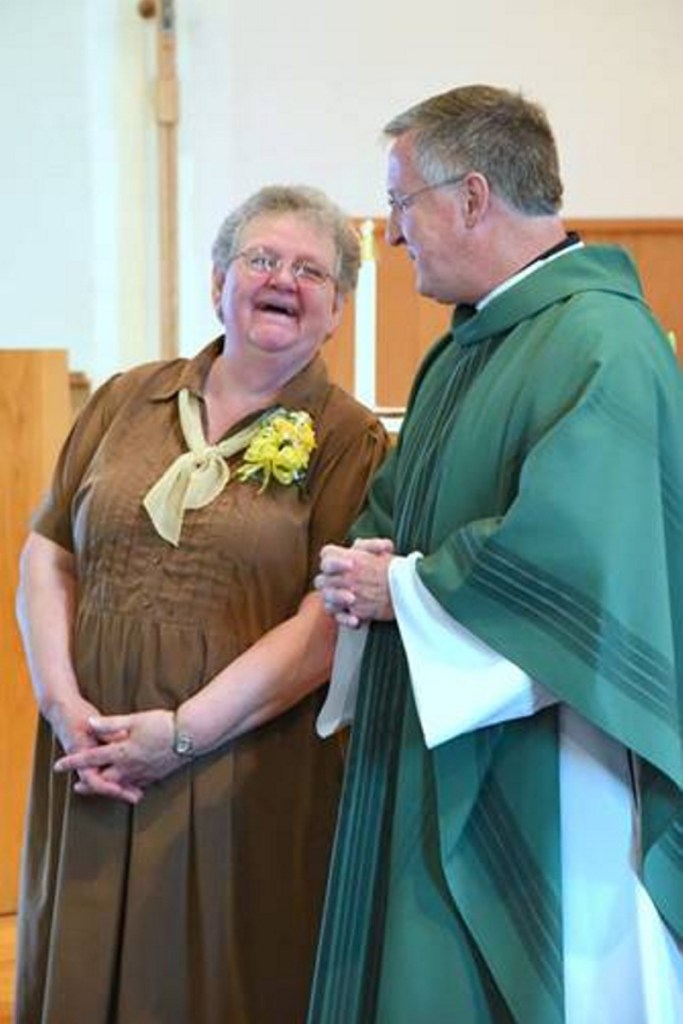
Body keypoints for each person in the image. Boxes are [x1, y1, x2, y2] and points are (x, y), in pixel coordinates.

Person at [312, 85, 683, 1024]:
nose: (391, 236)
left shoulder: (602, 339)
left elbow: (583, 555)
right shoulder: (466, 347)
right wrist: (365, 566)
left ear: (472, 197)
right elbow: (398, 514)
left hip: (555, 752)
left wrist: (401, 586)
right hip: (437, 723)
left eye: (400, 205)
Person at [15, 184, 388, 1024]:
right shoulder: (122, 399)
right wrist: (61, 703)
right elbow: (47, 554)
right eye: (262, 259)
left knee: (212, 981)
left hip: (239, 767)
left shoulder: (349, 439)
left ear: (336, 310)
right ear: (219, 277)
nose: (282, 280)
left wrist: (183, 734)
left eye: (310, 271)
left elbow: (325, 625)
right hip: (90, 752)